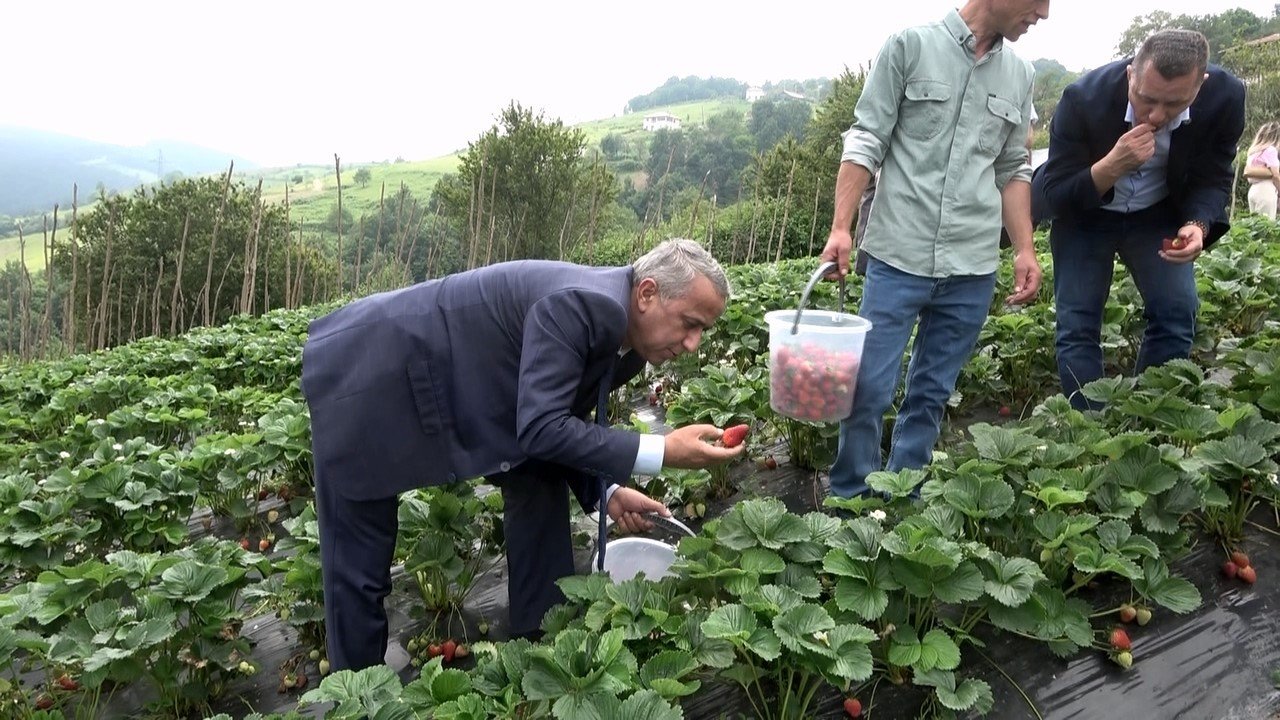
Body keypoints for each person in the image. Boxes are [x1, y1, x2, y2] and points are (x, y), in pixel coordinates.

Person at [301, 238, 745, 671]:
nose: (693, 344)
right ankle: (354, 694)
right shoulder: (586, 304)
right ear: (647, 293)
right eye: (690, 323)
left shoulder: (629, 346)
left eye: (703, 331)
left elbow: (561, 418)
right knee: (358, 566)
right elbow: (541, 427)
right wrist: (662, 449)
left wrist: (605, 490)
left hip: (470, 394)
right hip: (367, 374)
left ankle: (544, 657)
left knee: (538, 480)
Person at [821, 0, 1047, 499]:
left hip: (972, 263)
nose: (1044, 13)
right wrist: (841, 227)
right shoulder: (910, 46)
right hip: (898, 254)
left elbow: (1013, 167)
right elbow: (866, 138)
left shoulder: (1020, 74)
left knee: (931, 393)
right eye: (1040, 0)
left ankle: (903, 497)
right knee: (868, 388)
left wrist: (1025, 249)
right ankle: (852, 499)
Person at [1031, 29, 1245, 409]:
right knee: (1077, 323)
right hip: (1085, 216)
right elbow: (1056, 193)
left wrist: (1198, 223)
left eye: (1174, 103)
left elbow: (1214, 175)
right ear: (1131, 74)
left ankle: (1146, 417)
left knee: (1176, 312)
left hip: (1156, 214)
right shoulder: (1083, 99)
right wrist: (1110, 167)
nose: (1157, 115)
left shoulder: (1225, 97)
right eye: (1146, 99)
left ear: (1200, 84)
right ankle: (1091, 426)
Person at [1243, 121, 1280, 219]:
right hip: (1266, 191)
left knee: (1255, 224)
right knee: (1266, 225)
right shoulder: (1271, 150)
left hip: (1253, 190)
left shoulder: (1253, 151)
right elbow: (1276, 175)